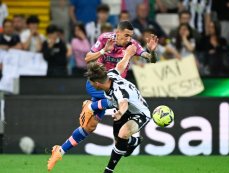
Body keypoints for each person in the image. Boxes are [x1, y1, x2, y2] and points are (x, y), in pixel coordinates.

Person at [47, 21, 158, 171]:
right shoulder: (105, 38)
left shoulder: (133, 45)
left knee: (89, 126)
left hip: (116, 86)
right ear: (117, 33)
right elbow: (87, 58)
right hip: (99, 82)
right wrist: (104, 51)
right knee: (118, 103)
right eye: (126, 35)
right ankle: (91, 106)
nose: (129, 39)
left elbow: (151, 60)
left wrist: (152, 52)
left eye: (131, 36)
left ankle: (60, 150)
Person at [85, 47, 155, 173]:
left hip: (139, 113)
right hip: (124, 109)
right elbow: (120, 66)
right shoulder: (110, 75)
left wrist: (120, 113)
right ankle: (133, 141)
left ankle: (108, 170)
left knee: (122, 135)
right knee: (119, 141)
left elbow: (123, 103)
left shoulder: (118, 92)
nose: (90, 84)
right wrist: (128, 55)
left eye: (91, 82)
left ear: (98, 84)